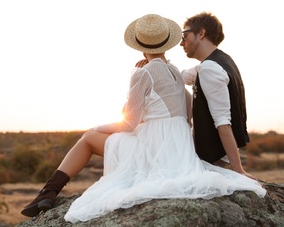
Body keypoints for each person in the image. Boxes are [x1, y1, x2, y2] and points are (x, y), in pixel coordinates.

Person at [21, 14, 266, 223]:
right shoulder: (176, 73)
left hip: (154, 148)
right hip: (178, 149)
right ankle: (47, 192)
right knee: (100, 137)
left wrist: (97, 126)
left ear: (140, 46)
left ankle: (48, 192)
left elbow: (129, 123)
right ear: (167, 43)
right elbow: (185, 112)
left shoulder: (142, 74)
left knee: (87, 138)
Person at [180, 12, 256, 180]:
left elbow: (223, 123)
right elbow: (181, 77)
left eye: (184, 36)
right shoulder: (220, 61)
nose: (181, 43)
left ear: (201, 33)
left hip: (213, 158)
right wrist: (155, 62)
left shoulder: (209, 68)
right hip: (218, 155)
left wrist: (239, 171)